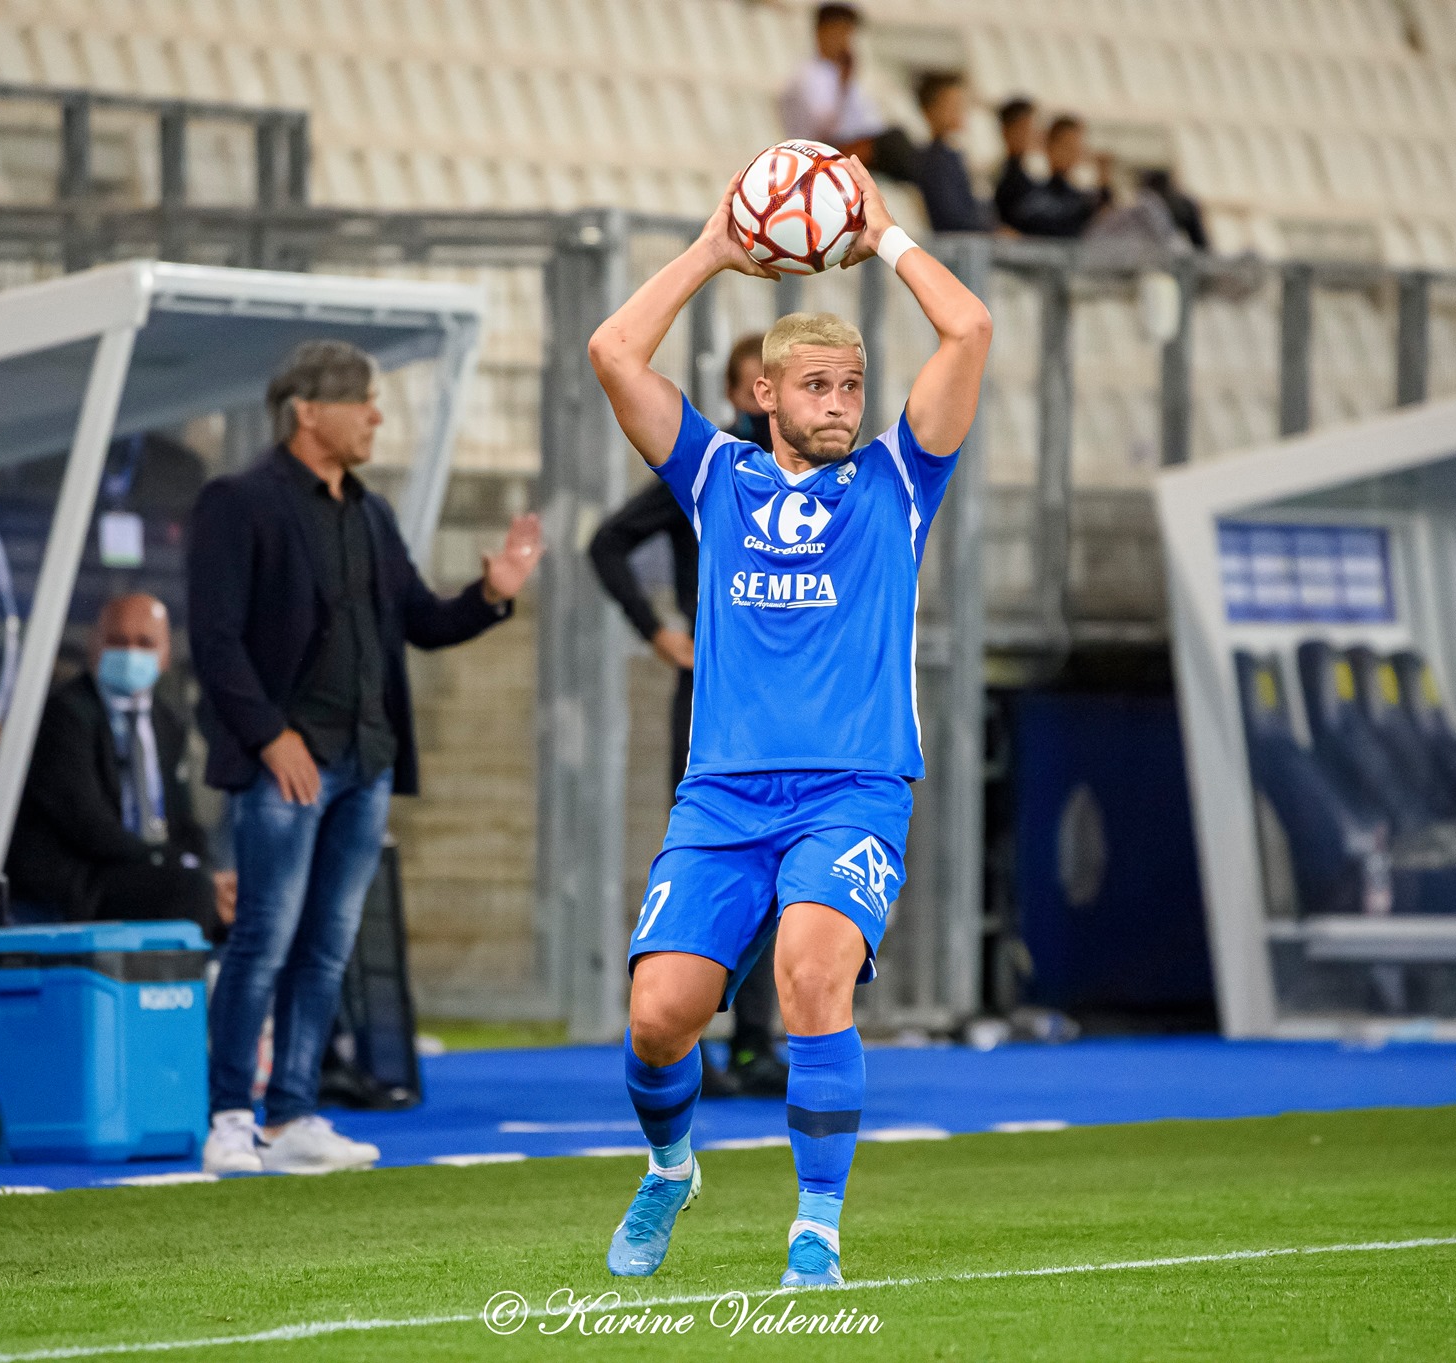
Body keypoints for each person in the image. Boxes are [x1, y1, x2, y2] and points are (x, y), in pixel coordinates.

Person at [587, 158, 991, 1286]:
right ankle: (670, 1171)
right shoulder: (713, 480)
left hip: (851, 787)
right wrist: (715, 246)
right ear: (765, 395)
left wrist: (887, 237)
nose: (838, 407)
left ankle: (814, 1226)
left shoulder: (896, 483)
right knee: (659, 1016)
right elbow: (613, 353)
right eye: (814, 387)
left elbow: (966, 332)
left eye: (849, 388)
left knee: (809, 976)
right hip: (721, 794)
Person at [187, 339, 544, 1176]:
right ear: (307, 410)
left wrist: (492, 593)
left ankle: (296, 1114)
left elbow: (418, 620)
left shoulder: (371, 514)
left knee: (327, 947)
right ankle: (231, 1116)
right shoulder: (238, 502)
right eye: (362, 401)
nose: (377, 416)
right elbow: (214, 638)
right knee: (263, 939)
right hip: (290, 760)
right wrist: (270, 736)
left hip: (366, 760)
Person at [587, 333, 790, 1101]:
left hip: (793, 706)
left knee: (788, 872)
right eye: (752, 383)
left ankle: (756, 1040)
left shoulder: (819, 478)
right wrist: (658, 629)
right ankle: (691, 1030)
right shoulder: (713, 471)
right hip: (716, 700)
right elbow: (607, 542)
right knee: (717, 856)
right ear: (744, 393)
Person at [5, 592, 232, 942]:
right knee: (191, 892)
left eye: (145, 643)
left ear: (166, 654)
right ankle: (168, 993)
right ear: (94, 646)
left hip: (146, 867)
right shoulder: (64, 715)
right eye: (118, 641)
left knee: (235, 898)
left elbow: (182, 819)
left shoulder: (166, 722)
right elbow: (88, 824)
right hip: (86, 874)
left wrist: (207, 869)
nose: (130, 653)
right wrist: (172, 863)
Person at [779, 4, 885, 158]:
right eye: (840, 32)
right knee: (892, 144)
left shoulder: (843, 76)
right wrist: (842, 85)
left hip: (852, 146)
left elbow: (871, 123)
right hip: (818, 152)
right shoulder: (805, 76)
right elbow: (823, 129)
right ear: (821, 32)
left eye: (848, 34)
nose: (845, 41)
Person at [1011, 115, 1113, 239]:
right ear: (1050, 145)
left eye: (1075, 147)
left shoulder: (1082, 201)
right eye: (1065, 145)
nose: (1070, 152)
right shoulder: (1027, 191)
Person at [910, 72, 989, 234]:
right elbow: (951, 217)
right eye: (951, 105)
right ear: (929, 110)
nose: (958, 111)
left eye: (960, 104)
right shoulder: (933, 160)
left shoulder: (953, 154)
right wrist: (991, 230)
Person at [992, 98, 1037, 234]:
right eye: (1021, 129)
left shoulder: (1031, 174)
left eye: (1029, 128)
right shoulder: (998, 175)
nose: (1027, 135)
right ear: (1006, 131)